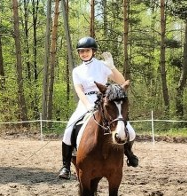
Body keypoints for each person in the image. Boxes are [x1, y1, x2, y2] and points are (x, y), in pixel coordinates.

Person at [58, 36, 138, 180]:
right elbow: (79, 90)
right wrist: (87, 105)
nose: (84, 54)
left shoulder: (101, 65)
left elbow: (121, 82)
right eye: (81, 51)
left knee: (130, 131)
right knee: (68, 130)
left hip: (105, 100)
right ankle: (66, 166)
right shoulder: (77, 70)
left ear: (93, 51)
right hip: (85, 102)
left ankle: (129, 153)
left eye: (87, 51)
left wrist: (112, 67)